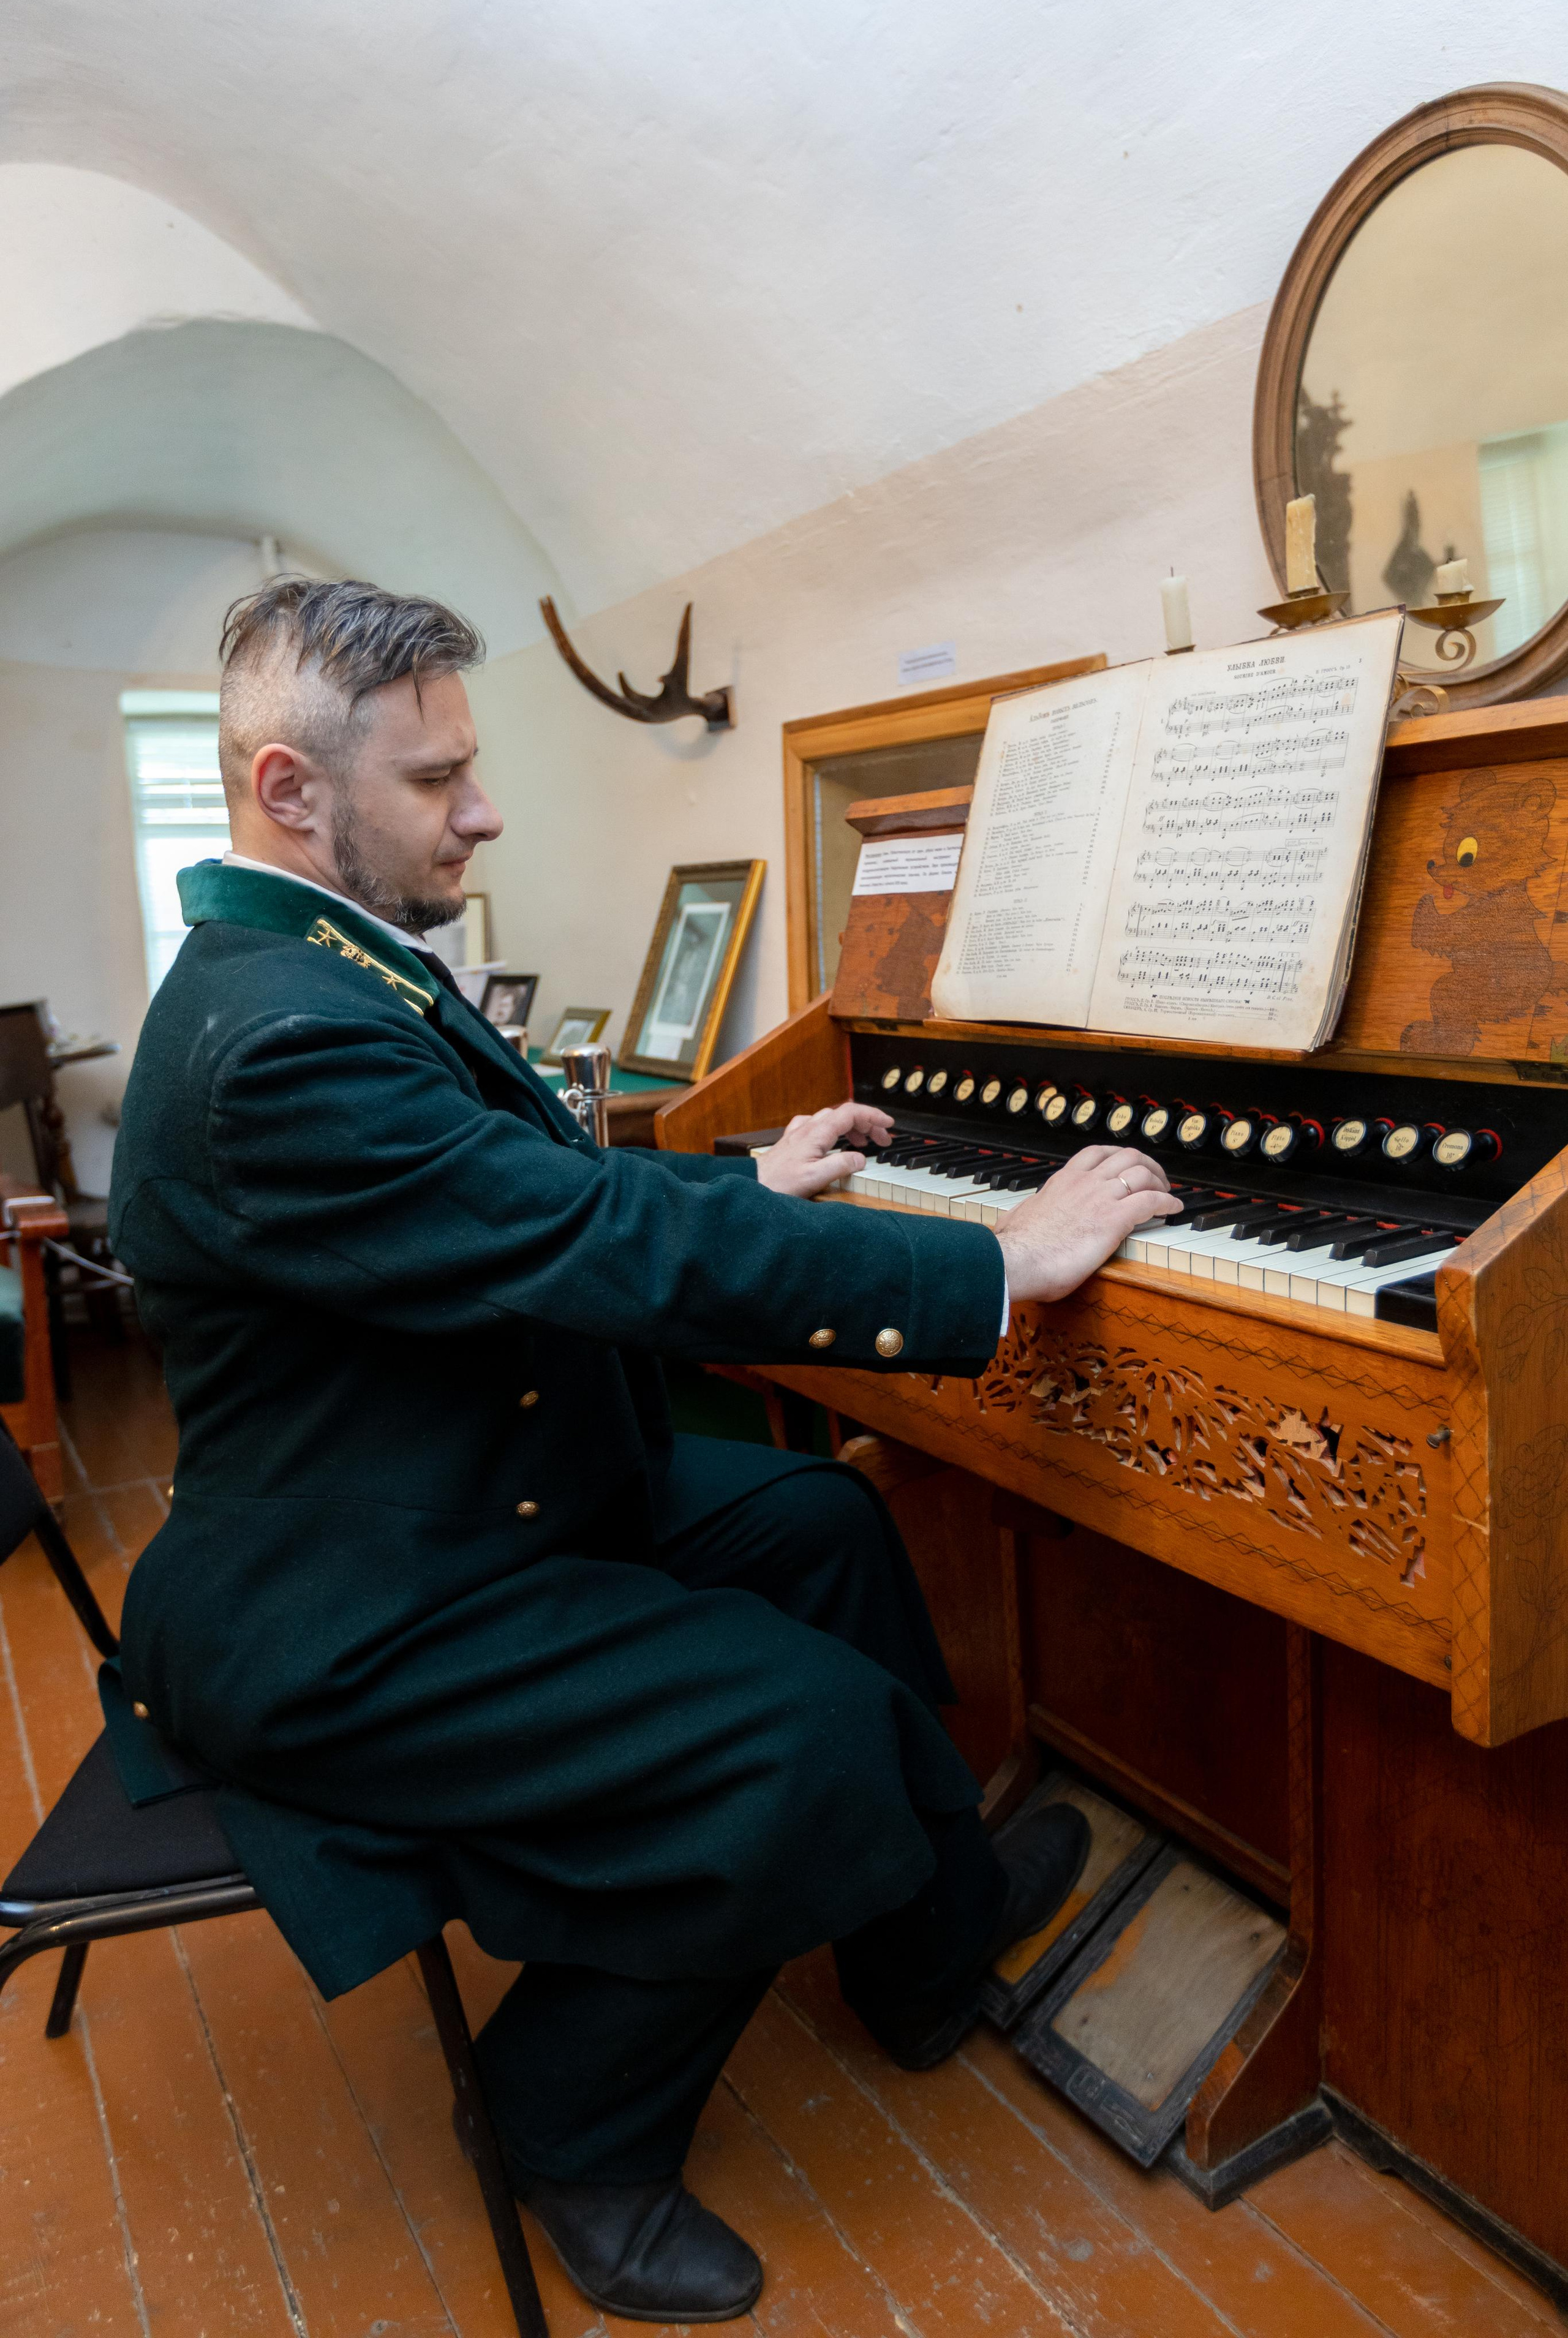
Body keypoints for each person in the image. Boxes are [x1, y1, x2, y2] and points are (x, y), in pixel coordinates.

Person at [108, 580, 1182, 2323]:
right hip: (346, 1605)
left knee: (817, 1527)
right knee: (798, 1736)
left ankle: (929, 1940)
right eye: (440, 778)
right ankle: (562, 2123)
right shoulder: (279, 1041)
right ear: (292, 792)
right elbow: (590, 1249)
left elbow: (541, 1202)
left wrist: (740, 1175)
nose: (485, 808)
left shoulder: (310, 964)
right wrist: (998, 1261)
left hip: (451, 1488)